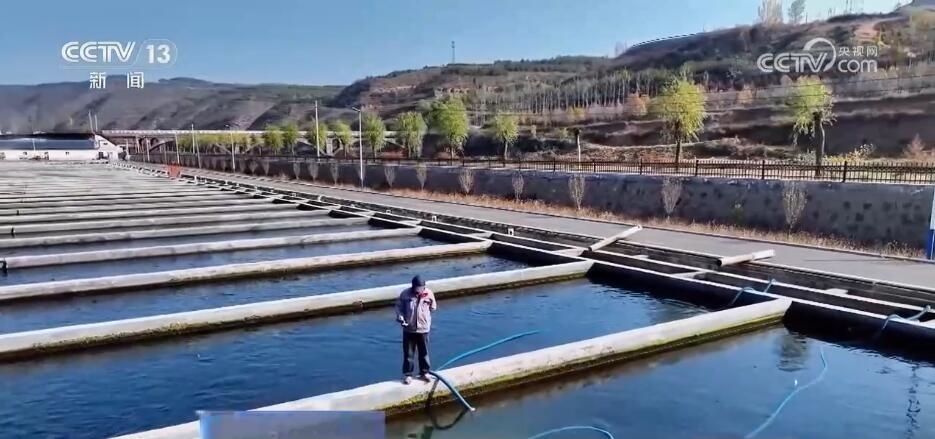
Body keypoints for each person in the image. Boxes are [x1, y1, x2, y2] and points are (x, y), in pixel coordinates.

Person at [395, 275, 437, 384]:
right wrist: (400, 317)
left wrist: (424, 317)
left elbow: (433, 307)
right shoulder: (405, 294)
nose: (419, 290)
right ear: (413, 286)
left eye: (421, 288)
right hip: (409, 329)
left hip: (423, 329)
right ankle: (408, 374)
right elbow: (398, 307)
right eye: (417, 288)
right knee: (408, 353)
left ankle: (424, 372)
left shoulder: (429, 294)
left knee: (424, 352)